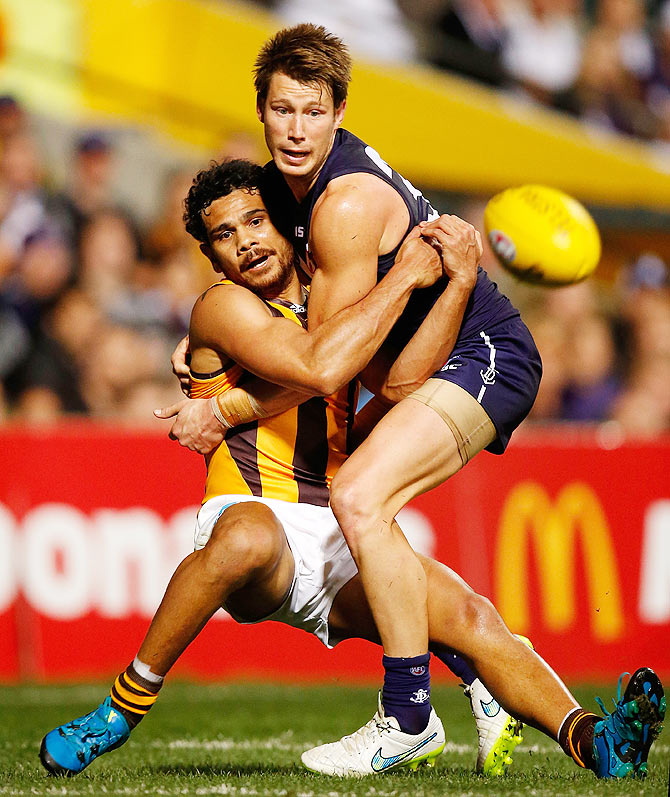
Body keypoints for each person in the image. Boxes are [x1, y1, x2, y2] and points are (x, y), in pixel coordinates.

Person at [40, 161, 664, 780]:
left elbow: (398, 388)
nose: (247, 241)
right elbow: (319, 367)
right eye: (226, 235)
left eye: (257, 221)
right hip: (253, 516)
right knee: (246, 542)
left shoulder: (339, 306)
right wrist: (409, 278)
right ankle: (120, 709)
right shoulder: (222, 308)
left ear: (287, 227)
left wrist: (456, 286)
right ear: (212, 260)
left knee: (471, 616)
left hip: (337, 524)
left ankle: (596, 743)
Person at [160, 25, 664, 779]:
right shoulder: (281, 192)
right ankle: (598, 741)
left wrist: (225, 403)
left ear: (339, 115)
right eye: (281, 110)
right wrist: (204, 335)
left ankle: (405, 713)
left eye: (312, 111)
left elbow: (327, 365)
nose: (296, 129)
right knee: (453, 606)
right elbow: (382, 377)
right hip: (425, 362)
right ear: (261, 113)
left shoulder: (344, 206)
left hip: (485, 354)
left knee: (359, 495)